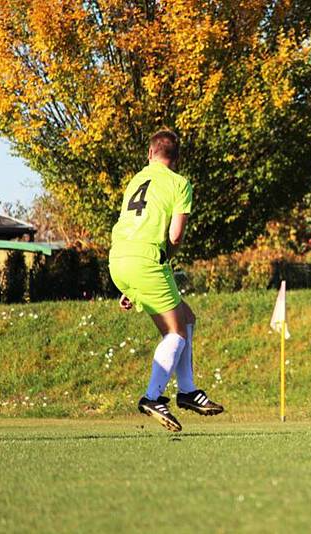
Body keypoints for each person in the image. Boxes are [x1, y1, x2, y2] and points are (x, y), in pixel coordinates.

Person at [109, 130, 224, 433]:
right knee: (175, 334)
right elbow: (174, 236)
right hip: (147, 259)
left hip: (119, 259)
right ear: (178, 158)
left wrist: (130, 287)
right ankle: (152, 397)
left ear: (150, 154)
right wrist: (165, 257)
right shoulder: (180, 183)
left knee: (186, 318)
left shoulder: (135, 180)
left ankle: (187, 390)